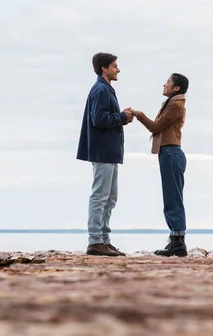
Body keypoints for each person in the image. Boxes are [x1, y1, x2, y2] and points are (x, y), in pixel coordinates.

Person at [77, 53, 133, 257]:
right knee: (100, 196)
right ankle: (95, 241)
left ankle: (104, 240)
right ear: (104, 68)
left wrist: (122, 117)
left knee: (110, 198)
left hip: (109, 152)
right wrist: (122, 117)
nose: (118, 70)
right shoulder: (101, 89)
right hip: (103, 151)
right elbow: (99, 119)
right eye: (115, 66)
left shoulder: (105, 89)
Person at [130, 73, 189, 257]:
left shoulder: (175, 105)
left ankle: (178, 241)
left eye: (168, 82)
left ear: (176, 88)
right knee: (171, 197)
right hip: (168, 153)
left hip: (171, 153)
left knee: (173, 198)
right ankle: (175, 239)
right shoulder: (173, 104)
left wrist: (139, 115)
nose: (164, 84)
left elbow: (156, 127)